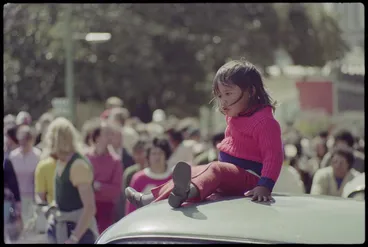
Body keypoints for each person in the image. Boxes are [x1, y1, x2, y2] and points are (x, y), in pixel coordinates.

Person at [125, 59, 283, 209]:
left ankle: (188, 193)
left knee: (215, 169)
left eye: (228, 94)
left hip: (251, 179)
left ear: (251, 91)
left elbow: (274, 156)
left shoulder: (265, 122)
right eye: (220, 96)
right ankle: (150, 199)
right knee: (193, 171)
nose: (223, 101)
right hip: (232, 177)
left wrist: (264, 186)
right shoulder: (236, 117)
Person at [45, 117, 98, 244]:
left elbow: (90, 208)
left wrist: (74, 238)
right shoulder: (61, 161)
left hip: (79, 233)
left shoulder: (78, 165)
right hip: (63, 227)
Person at [86, 122, 123, 233]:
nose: (110, 137)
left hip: (106, 211)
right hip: (86, 207)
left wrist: (98, 186)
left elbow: (115, 190)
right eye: (106, 134)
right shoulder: (85, 158)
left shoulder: (115, 161)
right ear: (97, 136)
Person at [125, 137, 172, 215]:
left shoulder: (173, 178)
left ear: (166, 155)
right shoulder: (138, 178)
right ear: (148, 156)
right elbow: (131, 209)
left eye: (160, 153)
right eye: (154, 153)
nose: (157, 157)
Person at [9, 125, 41, 228]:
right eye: (22, 139)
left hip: (32, 198)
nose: (24, 142)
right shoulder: (13, 156)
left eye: (27, 139)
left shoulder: (38, 155)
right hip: (16, 199)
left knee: (31, 227)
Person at [116, 139, 148, 220]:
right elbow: (124, 197)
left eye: (141, 153)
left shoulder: (156, 172)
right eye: (136, 153)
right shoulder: (130, 173)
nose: (139, 156)